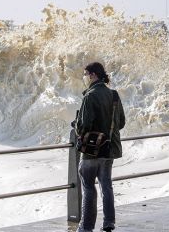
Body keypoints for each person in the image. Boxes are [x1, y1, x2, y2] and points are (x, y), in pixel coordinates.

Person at [75, 62, 125, 232]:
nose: (84, 77)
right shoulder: (114, 95)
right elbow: (122, 122)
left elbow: (83, 127)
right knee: (107, 186)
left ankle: (86, 227)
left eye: (85, 74)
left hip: (91, 151)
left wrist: (76, 125)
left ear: (93, 75)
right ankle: (109, 223)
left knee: (89, 188)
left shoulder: (90, 96)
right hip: (108, 149)